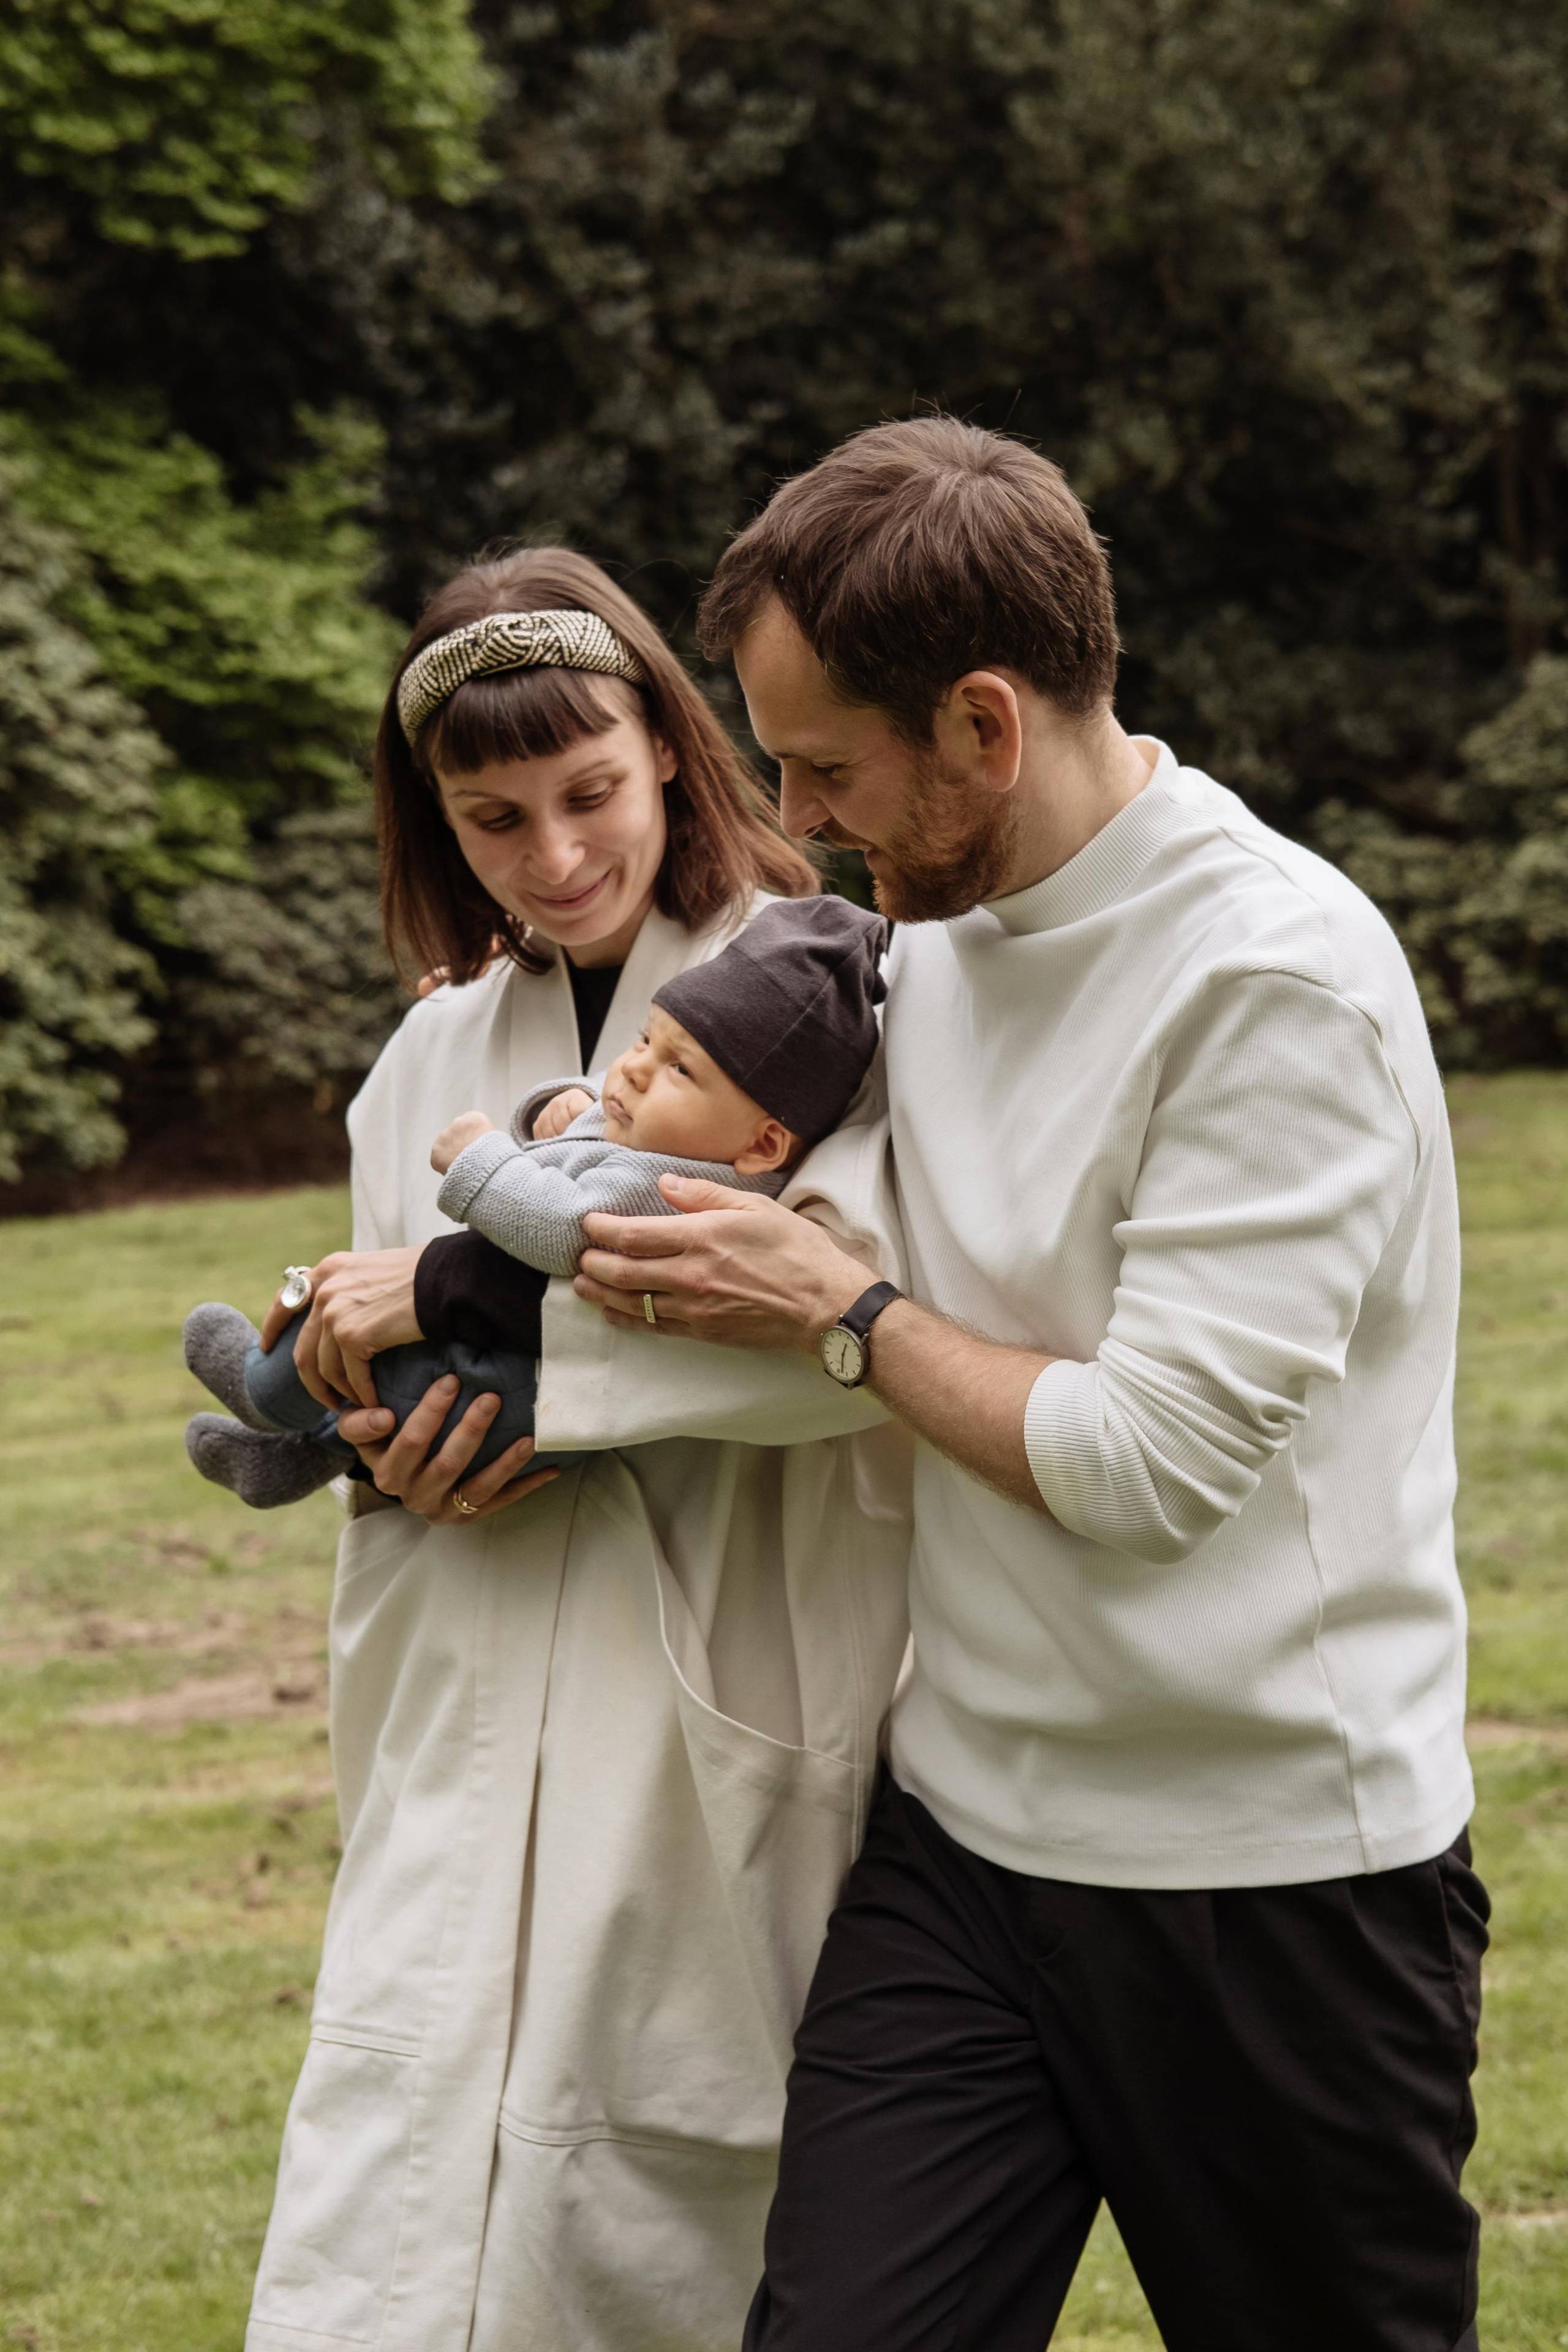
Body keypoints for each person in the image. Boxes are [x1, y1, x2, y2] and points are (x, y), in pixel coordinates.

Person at [570, 420, 1488, 2352]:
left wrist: (846, 1311)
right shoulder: (920, 940)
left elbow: (1144, 1459)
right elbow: (705, 1169)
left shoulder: (1270, 978)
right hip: (963, 1848)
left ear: (983, 723)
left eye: (826, 767)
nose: (801, 822)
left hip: (1276, 1893)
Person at [240, 549, 912, 2352]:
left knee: (636, 2221)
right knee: (388, 2210)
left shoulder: (814, 992)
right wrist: (396, 1450)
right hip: (457, 1681)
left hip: (694, 1696)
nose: (552, 854)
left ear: (674, 756)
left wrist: (507, 1330)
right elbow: (379, 1337)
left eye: (589, 792)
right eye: (492, 816)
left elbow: (845, 1334)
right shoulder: (430, 1055)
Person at [181, 896, 887, 1506]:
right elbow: (594, 1143)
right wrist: (572, 1102)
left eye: (678, 1067)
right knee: (372, 1366)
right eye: (645, 1039)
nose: (634, 1068)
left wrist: (479, 1160)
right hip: (508, 1416)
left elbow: (567, 1229)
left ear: (765, 1146)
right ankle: (308, 1454)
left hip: (502, 1392)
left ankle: (265, 1389)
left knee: (364, 1354)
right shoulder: (691, 1142)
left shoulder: (678, 1186)